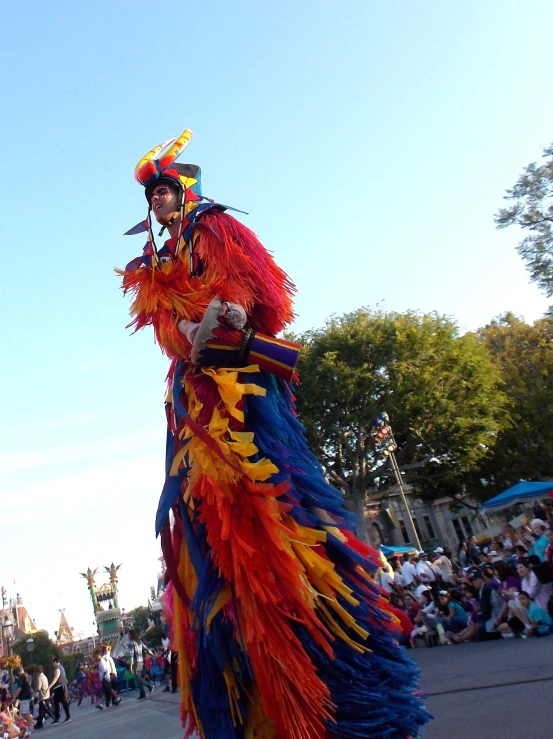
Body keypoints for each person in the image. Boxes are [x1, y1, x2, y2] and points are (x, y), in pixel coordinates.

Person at [118, 128, 430, 739]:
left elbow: (257, 293)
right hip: (196, 392)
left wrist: (230, 311)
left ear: (185, 188)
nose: (156, 201)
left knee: (274, 500)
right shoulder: (155, 264)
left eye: (163, 190)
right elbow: (164, 328)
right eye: (150, 195)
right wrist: (186, 332)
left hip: (244, 380)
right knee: (207, 507)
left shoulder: (218, 231)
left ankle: (322, 655)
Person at [127, 630, 154, 700]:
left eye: (128, 634)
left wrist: (130, 665)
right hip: (141, 661)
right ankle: (142, 693)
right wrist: (150, 652)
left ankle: (149, 685)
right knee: (138, 677)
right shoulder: (139, 641)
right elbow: (146, 647)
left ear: (131, 635)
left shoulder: (131, 643)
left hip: (136, 661)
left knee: (137, 677)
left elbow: (132, 655)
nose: (128, 636)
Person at [48, 656, 71, 725]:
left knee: (62, 702)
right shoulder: (61, 667)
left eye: (53, 663)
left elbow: (55, 679)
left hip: (59, 687)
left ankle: (66, 717)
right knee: (57, 702)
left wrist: (49, 687)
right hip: (59, 687)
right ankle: (58, 718)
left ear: (55, 662)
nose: (52, 664)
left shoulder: (57, 669)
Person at [12, 666, 33, 733]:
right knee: (25, 712)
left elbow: (19, 688)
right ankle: (30, 725)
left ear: (18, 671)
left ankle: (30, 726)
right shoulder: (26, 675)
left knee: (24, 713)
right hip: (27, 695)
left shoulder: (21, 677)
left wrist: (15, 697)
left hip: (25, 697)